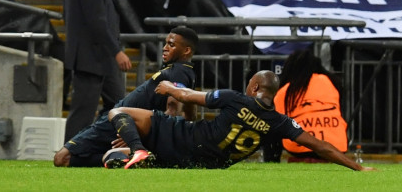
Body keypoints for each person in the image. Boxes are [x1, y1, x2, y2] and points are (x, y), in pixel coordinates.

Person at [105, 70, 372, 170]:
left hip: (187, 138)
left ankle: (138, 150)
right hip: (208, 164)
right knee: (113, 154)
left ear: (254, 87)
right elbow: (320, 146)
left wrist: (169, 88)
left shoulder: (235, 99)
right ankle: (142, 153)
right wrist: (358, 168)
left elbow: (188, 96)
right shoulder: (280, 122)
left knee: (119, 113)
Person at [54, 27, 198, 168]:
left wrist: (133, 132)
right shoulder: (183, 72)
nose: (165, 48)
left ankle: (141, 156)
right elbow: (190, 110)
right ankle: (129, 157)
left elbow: (173, 111)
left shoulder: (179, 72)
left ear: (186, 50)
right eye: (166, 43)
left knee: (62, 158)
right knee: (65, 158)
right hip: (119, 124)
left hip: (117, 123)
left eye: (171, 45)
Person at [63, 0, 132, 142]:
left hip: (95, 57)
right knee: (83, 112)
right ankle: (70, 154)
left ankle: (109, 147)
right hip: (93, 56)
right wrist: (116, 51)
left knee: (119, 107)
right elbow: (96, 20)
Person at [272, 50, 348, 160]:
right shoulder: (330, 83)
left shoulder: (285, 91)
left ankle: (272, 159)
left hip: (299, 148)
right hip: (336, 146)